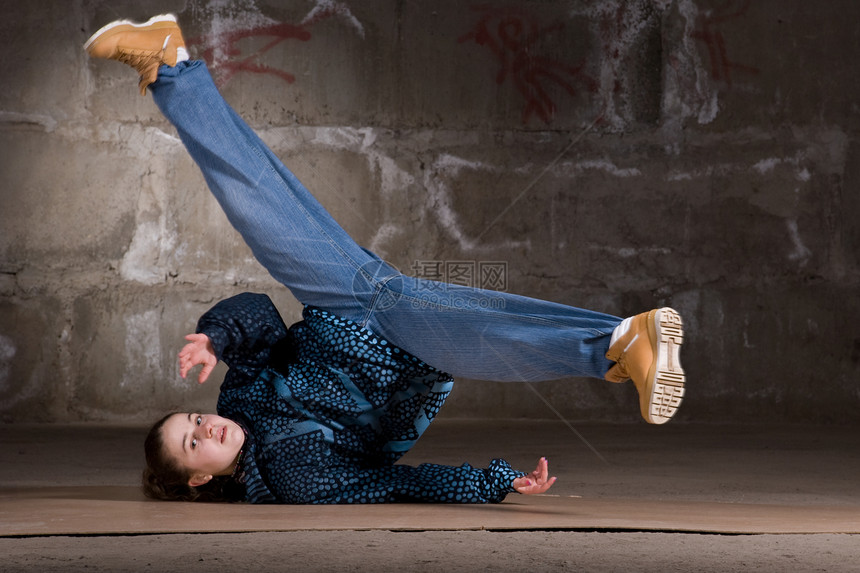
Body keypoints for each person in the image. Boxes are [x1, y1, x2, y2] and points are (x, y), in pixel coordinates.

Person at [83, 14, 685, 504]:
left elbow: (262, 317)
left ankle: (171, 66)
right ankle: (616, 345)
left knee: (258, 204)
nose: (205, 427)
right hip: (408, 352)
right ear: (199, 478)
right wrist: (496, 481)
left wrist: (217, 338)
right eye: (194, 444)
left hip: (342, 301)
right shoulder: (301, 484)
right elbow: (399, 483)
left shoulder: (238, 402)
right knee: (475, 326)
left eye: (191, 419)